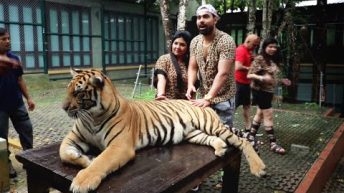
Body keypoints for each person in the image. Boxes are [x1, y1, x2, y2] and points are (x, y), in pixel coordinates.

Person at [186, 4, 237, 129]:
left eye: (205, 17)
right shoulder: (195, 42)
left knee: (223, 134)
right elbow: (192, 67)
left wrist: (209, 98)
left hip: (222, 97)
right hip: (204, 97)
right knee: (205, 132)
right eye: (198, 18)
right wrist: (190, 85)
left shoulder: (226, 41)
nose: (201, 20)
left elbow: (223, 73)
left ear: (215, 19)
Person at [0, 27, 35, 178]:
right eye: (3, 39)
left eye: (8, 38)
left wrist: (29, 98)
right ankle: (6, 165)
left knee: (27, 130)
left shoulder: (14, 58)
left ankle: (30, 160)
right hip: (0, 107)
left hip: (17, 103)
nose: (8, 41)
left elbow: (20, 79)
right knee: (2, 138)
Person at [247, 37, 291, 155]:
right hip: (260, 90)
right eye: (270, 46)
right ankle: (273, 143)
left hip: (269, 91)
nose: (273, 49)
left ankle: (251, 136)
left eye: (274, 47)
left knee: (260, 113)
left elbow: (273, 76)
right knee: (269, 114)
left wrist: (282, 80)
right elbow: (249, 75)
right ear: (265, 47)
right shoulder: (260, 59)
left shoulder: (272, 60)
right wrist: (262, 78)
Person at [154, 30, 192, 100]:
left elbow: (193, 84)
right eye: (176, 43)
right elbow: (161, 78)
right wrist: (161, 94)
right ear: (172, 44)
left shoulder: (191, 62)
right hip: (167, 102)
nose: (177, 47)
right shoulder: (164, 59)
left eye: (182, 45)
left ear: (188, 47)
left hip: (185, 105)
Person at [235, 34, 260, 131]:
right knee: (233, 106)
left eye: (256, 46)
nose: (255, 47)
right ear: (248, 41)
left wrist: (252, 59)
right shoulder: (241, 50)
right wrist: (251, 69)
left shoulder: (248, 51)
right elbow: (238, 66)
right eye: (254, 45)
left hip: (246, 83)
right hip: (238, 83)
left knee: (247, 106)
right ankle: (226, 125)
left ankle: (248, 128)